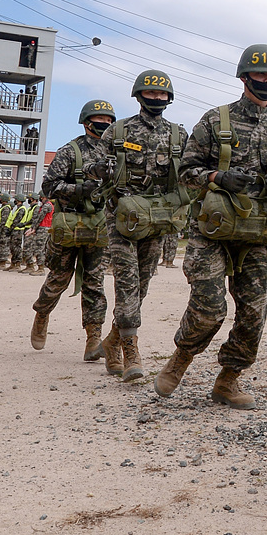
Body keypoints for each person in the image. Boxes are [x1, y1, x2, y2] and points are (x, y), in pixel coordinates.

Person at [154, 46, 267, 408]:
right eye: (262, 75)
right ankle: (181, 358)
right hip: (213, 230)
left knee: (253, 314)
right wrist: (218, 176)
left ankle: (228, 380)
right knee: (209, 308)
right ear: (245, 77)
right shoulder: (215, 121)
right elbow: (185, 172)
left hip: (260, 234)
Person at [87, 70, 188, 382]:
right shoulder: (117, 132)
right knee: (127, 281)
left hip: (156, 220)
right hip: (122, 218)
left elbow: (190, 171)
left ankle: (112, 341)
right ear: (139, 95)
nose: (156, 99)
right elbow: (92, 169)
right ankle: (130, 350)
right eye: (151, 94)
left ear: (169, 99)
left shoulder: (177, 135)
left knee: (141, 284)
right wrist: (101, 169)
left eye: (162, 95)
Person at [30, 99, 115, 359]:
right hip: (69, 223)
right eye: (100, 120)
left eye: (110, 121)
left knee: (95, 284)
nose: (105, 125)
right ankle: (42, 314)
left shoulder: (115, 152)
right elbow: (49, 187)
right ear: (87, 122)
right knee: (58, 279)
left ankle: (93, 338)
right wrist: (79, 189)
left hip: (99, 226)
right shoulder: (70, 151)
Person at [23, 192, 53, 275]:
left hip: (43, 229)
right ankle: (39, 267)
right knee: (38, 248)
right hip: (41, 228)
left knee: (39, 249)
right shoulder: (44, 205)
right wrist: (33, 228)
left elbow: (40, 217)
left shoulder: (47, 205)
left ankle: (41, 269)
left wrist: (33, 228)